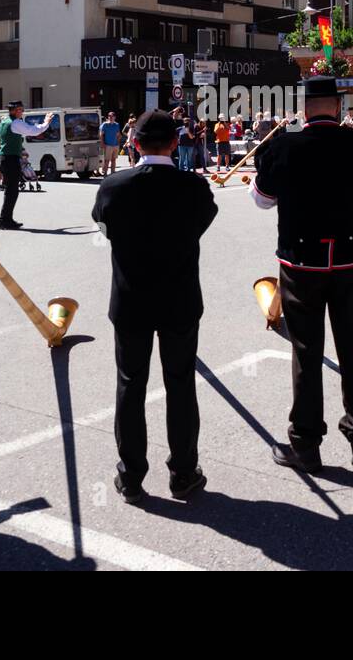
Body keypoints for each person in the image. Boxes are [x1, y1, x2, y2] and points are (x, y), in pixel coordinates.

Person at [251, 76, 353, 472]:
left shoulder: (281, 146)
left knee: (306, 353)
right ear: (338, 106)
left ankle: (306, 443)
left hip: (301, 262)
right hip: (350, 261)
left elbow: (261, 200)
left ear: (304, 108)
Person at [91, 110, 218, 503]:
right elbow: (202, 222)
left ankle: (131, 475)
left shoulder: (113, 186)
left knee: (131, 384)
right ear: (175, 143)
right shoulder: (194, 188)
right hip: (179, 299)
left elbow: (104, 227)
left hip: (132, 300)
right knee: (180, 384)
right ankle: (183, 472)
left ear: (135, 143)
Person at [0, 101, 54, 228]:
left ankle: (6, 219)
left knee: (10, 191)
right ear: (14, 110)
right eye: (20, 109)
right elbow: (33, 131)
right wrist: (46, 122)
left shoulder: (5, 121)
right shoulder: (15, 122)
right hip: (9, 159)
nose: (22, 112)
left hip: (3, 158)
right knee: (12, 191)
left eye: (22, 109)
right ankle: (4, 220)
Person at [100, 111, 121, 176]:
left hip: (115, 145)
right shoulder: (105, 125)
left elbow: (118, 135)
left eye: (112, 116)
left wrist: (118, 143)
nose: (110, 117)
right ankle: (105, 173)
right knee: (107, 160)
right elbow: (101, 135)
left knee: (114, 160)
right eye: (109, 116)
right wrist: (102, 143)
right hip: (108, 145)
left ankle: (113, 173)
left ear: (115, 117)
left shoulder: (116, 125)